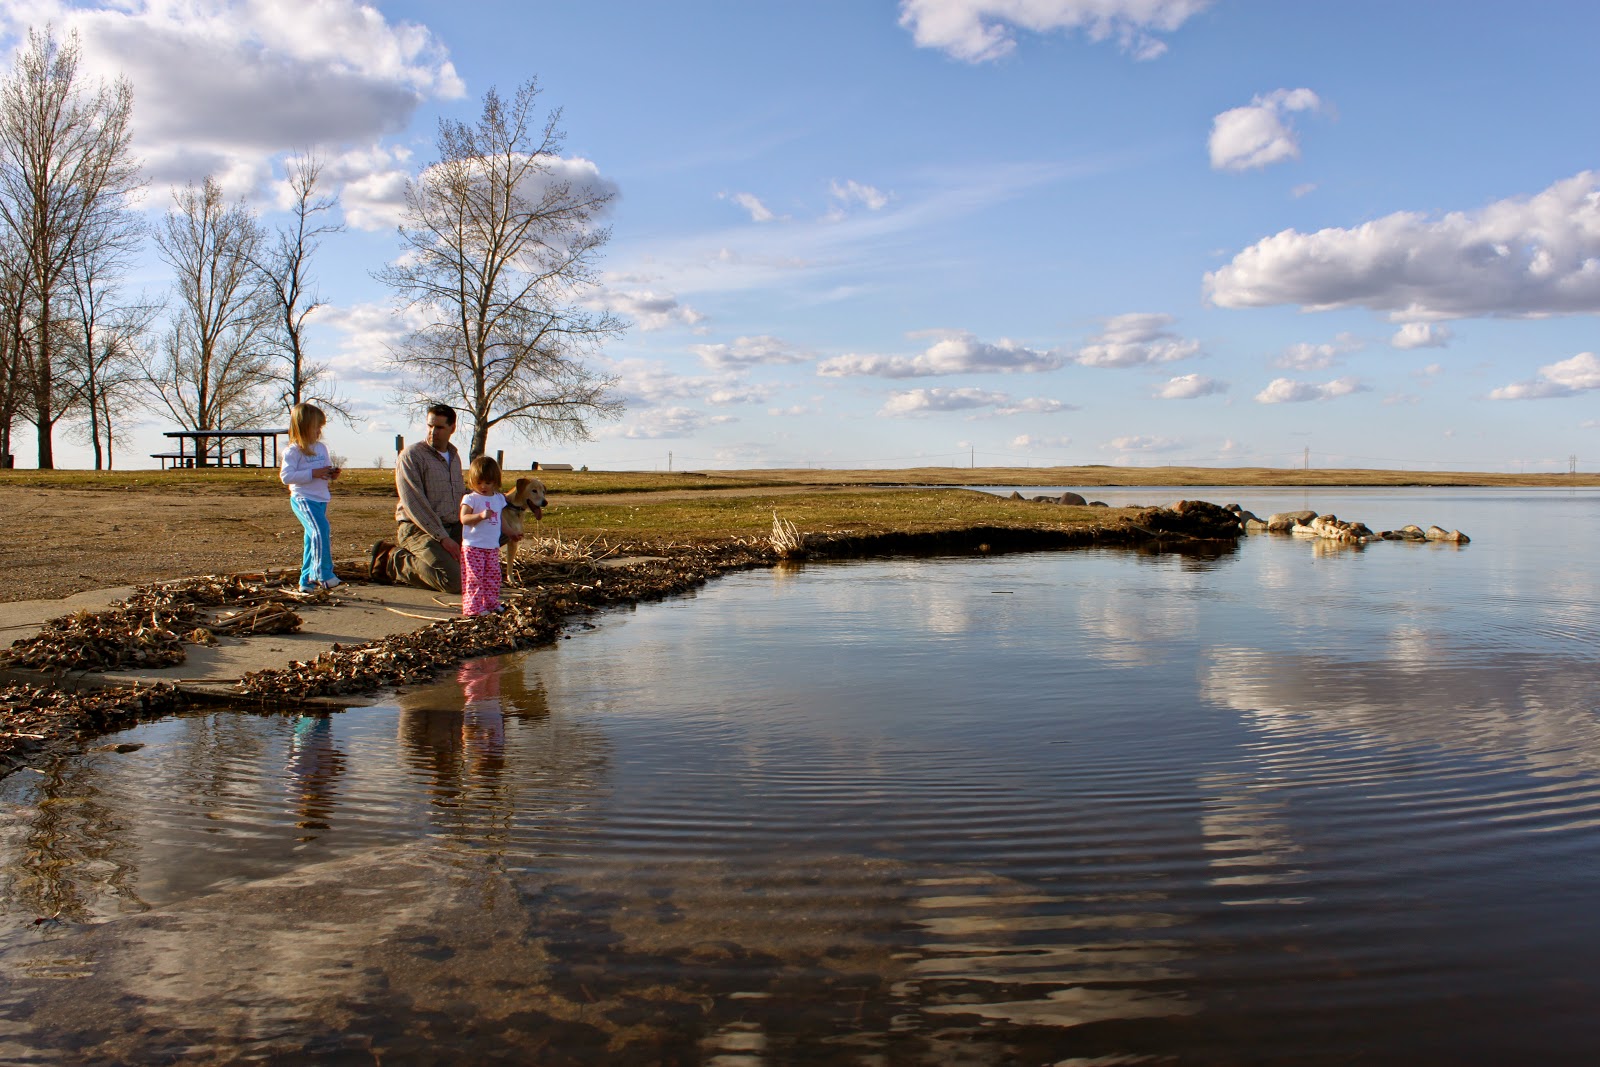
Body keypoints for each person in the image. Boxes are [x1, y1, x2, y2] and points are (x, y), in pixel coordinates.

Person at [373, 403, 466, 592]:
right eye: (430, 426)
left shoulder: (454, 457)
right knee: (455, 581)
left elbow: (459, 494)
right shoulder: (412, 456)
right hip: (418, 529)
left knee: (498, 531)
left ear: (452, 428)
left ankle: (462, 563)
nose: (433, 432)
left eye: (439, 427)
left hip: (452, 527)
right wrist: (443, 538)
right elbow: (414, 503)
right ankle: (392, 560)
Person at [280, 402, 342, 593]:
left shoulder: (321, 448)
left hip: (321, 498)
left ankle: (305, 581)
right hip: (303, 498)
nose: (319, 432)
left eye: (320, 427)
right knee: (321, 530)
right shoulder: (293, 451)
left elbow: (324, 470)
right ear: (304, 427)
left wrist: (331, 474)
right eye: (316, 427)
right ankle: (322, 574)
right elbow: (286, 477)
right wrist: (312, 473)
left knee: (311, 539)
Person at [459, 455, 507, 615]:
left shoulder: (499, 499)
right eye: (479, 482)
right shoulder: (470, 499)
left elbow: (501, 520)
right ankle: (473, 608)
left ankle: (491, 603)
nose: (483, 486)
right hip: (473, 546)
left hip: (492, 546)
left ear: (495, 481)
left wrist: (512, 532)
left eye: (488, 482)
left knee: (493, 576)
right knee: (475, 577)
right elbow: (464, 518)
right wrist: (479, 516)